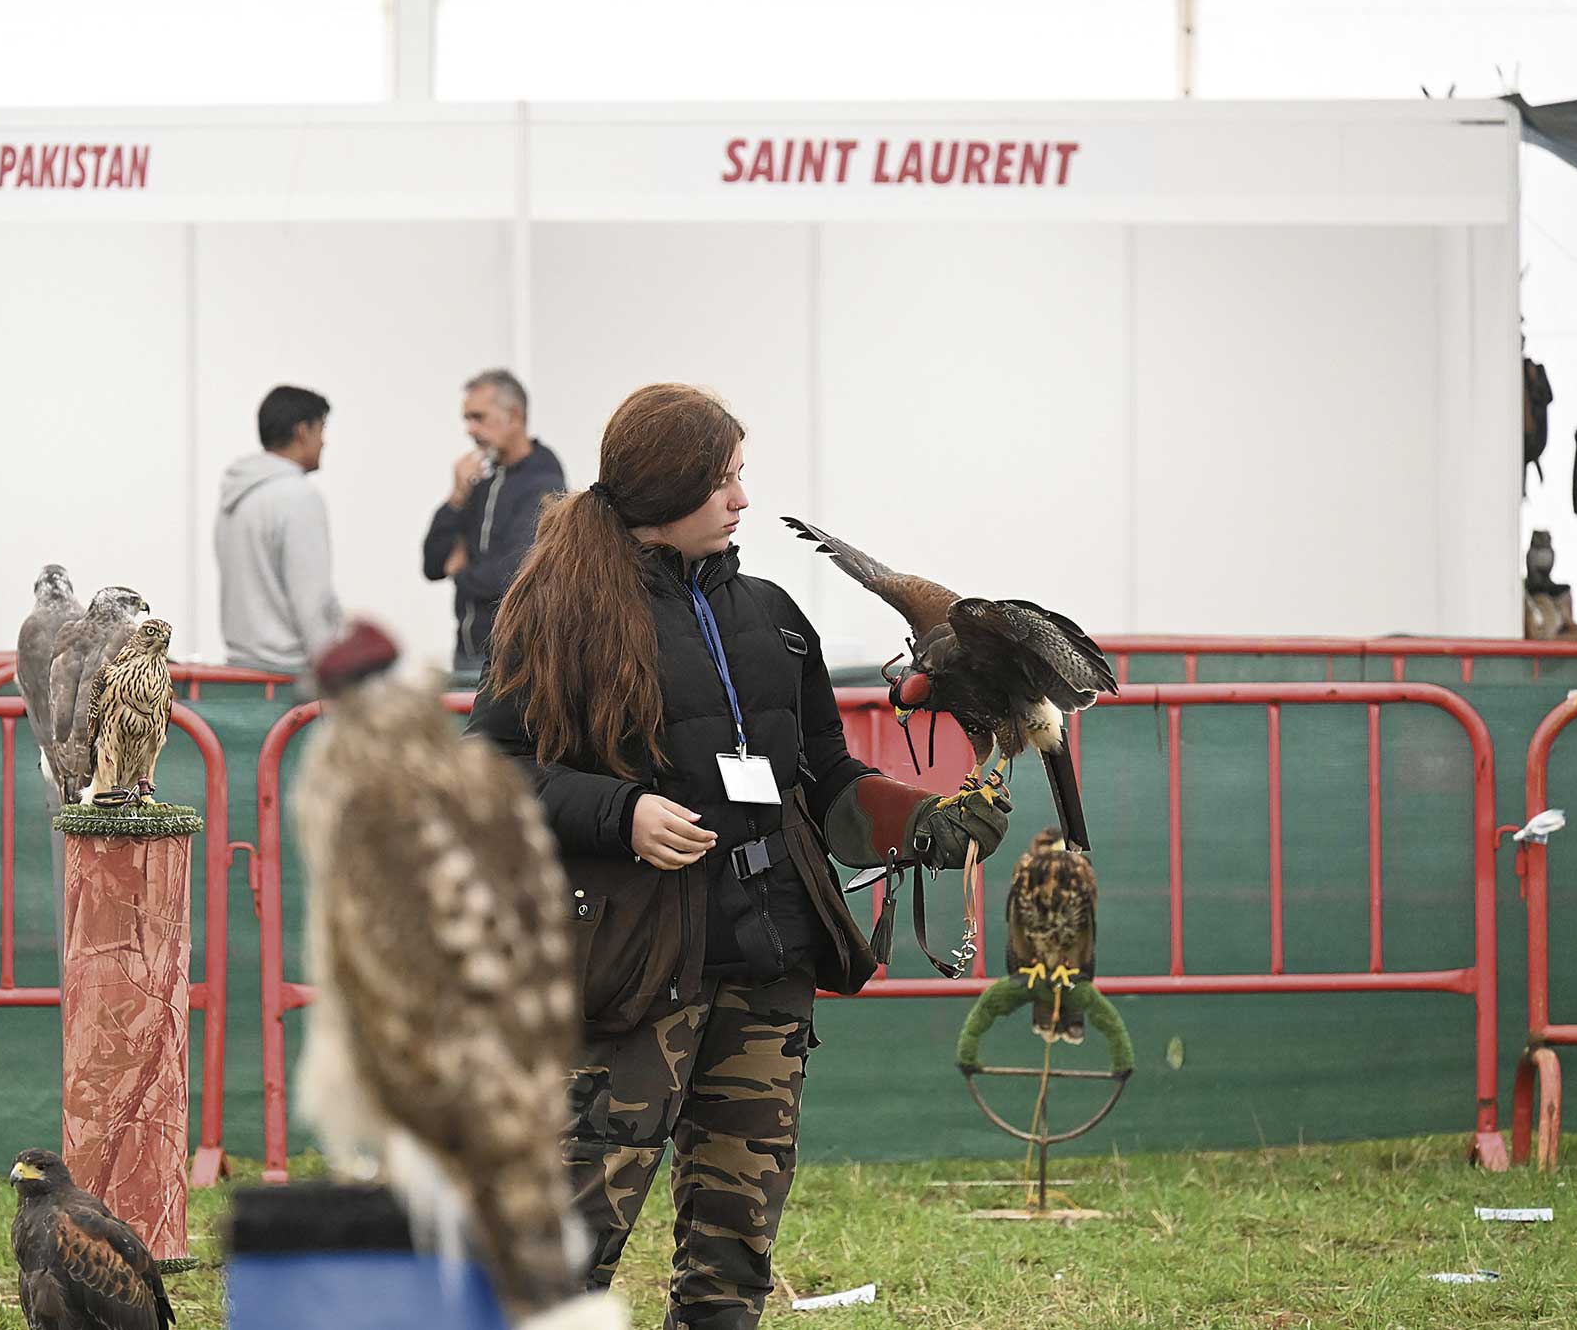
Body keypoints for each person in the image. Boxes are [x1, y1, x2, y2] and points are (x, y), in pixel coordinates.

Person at [468, 383, 1010, 1329]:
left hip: (769, 962)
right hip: (631, 971)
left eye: (740, 477)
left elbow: (827, 781)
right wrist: (621, 812)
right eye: (722, 480)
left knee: (732, 1262)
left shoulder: (773, 615)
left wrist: (925, 825)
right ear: (664, 484)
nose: (741, 500)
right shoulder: (554, 611)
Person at [421, 369, 566, 673]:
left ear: (514, 416)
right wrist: (457, 497)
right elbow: (433, 564)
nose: (469, 429)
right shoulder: (479, 479)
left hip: (515, 661)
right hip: (466, 655)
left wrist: (460, 572)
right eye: (466, 419)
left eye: (478, 417)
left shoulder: (544, 480)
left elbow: (511, 571)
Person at [215, 385, 343, 675]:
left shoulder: (236, 495)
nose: (324, 442)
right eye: (321, 430)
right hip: (289, 681)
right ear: (302, 431)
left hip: (239, 673)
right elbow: (312, 599)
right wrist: (335, 677)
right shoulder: (298, 496)